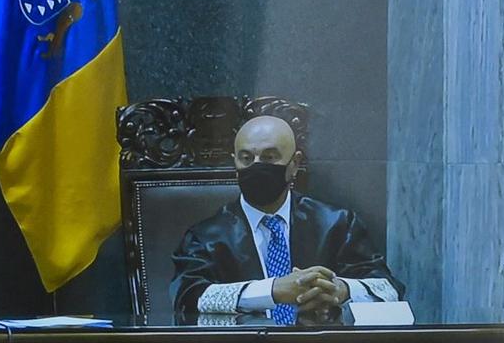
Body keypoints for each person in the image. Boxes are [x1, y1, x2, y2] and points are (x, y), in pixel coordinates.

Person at [170, 114, 403, 325]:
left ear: (295, 164)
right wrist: (272, 291)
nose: (257, 166)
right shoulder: (205, 237)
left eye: (269, 157)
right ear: (235, 163)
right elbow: (188, 297)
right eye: (246, 158)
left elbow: (388, 289)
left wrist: (340, 290)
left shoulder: (337, 224)